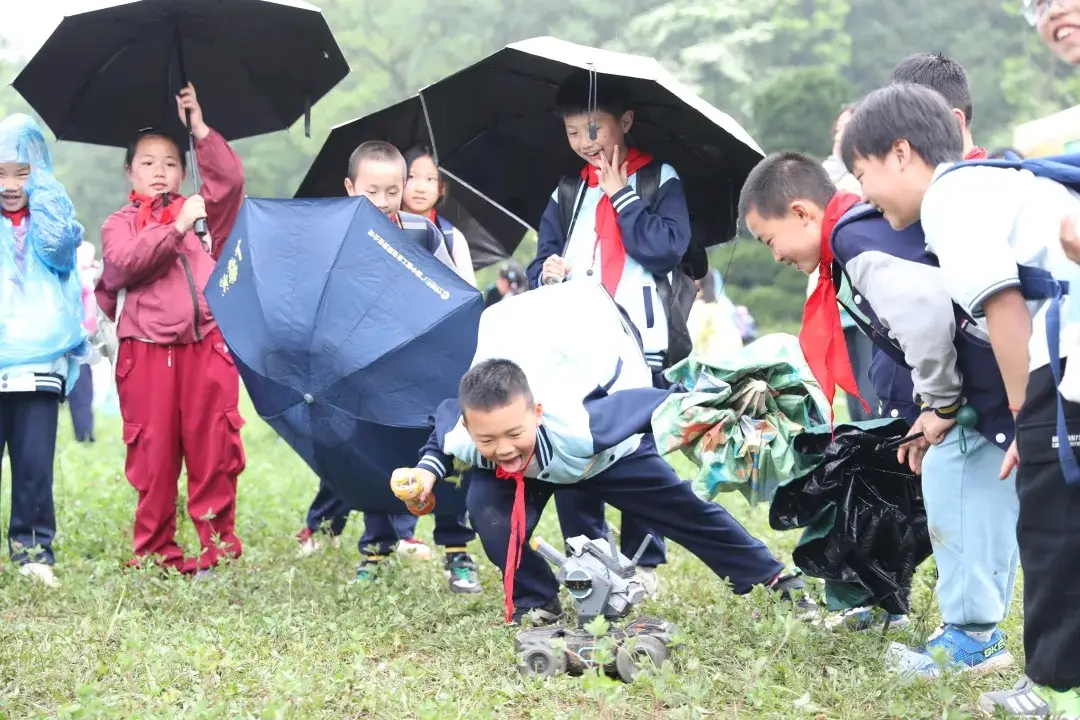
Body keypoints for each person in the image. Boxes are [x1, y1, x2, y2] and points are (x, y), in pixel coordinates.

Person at [839, 81, 1080, 717]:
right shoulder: (994, 185)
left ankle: (1058, 690)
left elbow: (1003, 302)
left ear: (899, 152)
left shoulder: (950, 199)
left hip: (1068, 359)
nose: (862, 193)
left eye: (862, 173)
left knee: (1056, 529)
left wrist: (1031, 424)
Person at [740, 149, 1018, 673]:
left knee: (956, 488)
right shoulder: (859, 233)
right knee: (980, 501)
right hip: (993, 378)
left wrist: (942, 403)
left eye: (768, 238)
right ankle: (975, 628)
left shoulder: (852, 237)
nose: (773, 254)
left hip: (981, 385)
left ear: (800, 212)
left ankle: (973, 638)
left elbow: (924, 315)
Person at [403, 281, 807, 624]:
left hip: (602, 457)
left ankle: (769, 577)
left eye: (512, 433)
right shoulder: (470, 435)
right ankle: (537, 601)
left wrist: (724, 402)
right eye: (488, 440)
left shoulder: (586, 425)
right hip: (533, 467)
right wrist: (426, 473)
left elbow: (656, 403)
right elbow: (442, 434)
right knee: (488, 513)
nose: (503, 448)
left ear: (537, 412)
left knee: (684, 508)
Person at [526, 70, 690, 594]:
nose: (583, 142)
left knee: (642, 449)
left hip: (644, 338)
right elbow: (542, 256)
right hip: (578, 340)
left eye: (593, 129)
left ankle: (643, 563)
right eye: (573, 132)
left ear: (625, 121)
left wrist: (622, 198)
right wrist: (544, 271)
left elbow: (666, 249)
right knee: (581, 440)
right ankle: (589, 554)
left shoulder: (658, 178)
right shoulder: (569, 188)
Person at [296, 141, 481, 593]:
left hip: (425, 367)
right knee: (377, 457)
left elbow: (451, 297)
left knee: (443, 452)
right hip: (365, 372)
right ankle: (376, 550)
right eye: (371, 191)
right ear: (349, 187)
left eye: (392, 191)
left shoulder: (424, 233)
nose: (382, 201)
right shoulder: (334, 238)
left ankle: (457, 551)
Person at [97, 84, 246, 575]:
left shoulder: (202, 213)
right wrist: (176, 227)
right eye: (147, 162)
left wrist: (199, 127)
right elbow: (122, 265)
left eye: (169, 162)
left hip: (207, 347)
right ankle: (156, 553)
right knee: (154, 458)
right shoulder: (120, 223)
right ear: (129, 172)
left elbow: (228, 181)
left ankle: (215, 552)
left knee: (214, 451)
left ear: (183, 171)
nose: (159, 171)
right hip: (145, 352)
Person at [0, 113, 89, 589]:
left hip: (37, 363)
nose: (11, 184)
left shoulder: (49, 218)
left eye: (22, 172)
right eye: (1, 172)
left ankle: (33, 549)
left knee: (34, 460)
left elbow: (57, 251)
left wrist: (47, 196)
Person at [401, 143, 477, 288]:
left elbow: (469, 296)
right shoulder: (384, 225)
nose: (420, 188)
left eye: (430, 179)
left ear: (441, 187)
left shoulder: (452, 238)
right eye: (411, 177)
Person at [67, 241, 99, 443]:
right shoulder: (75, 276)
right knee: (80, 386)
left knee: (82, 387)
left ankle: (85, 433)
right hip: (73, 335)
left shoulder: (89, 275)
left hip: (83, 337)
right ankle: (84, 433)